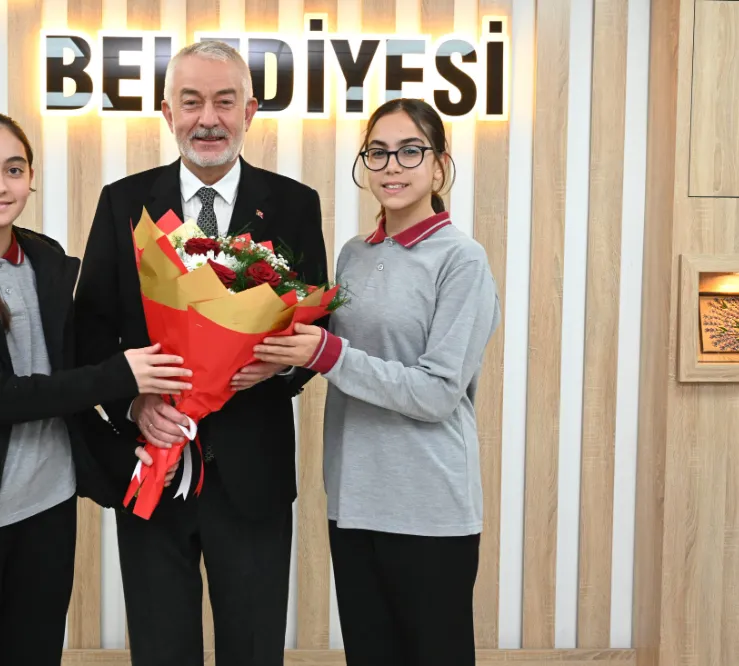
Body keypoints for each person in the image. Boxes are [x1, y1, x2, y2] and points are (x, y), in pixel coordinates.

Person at [0, 111, 191, 666]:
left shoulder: (45, 261)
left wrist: (132, 435)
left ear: (30, 179)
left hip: (48, 510)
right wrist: (120, 374)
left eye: (14, 169)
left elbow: (65, 381)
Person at [74, 41, 328, 666]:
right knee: (160, 648)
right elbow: (91, 330)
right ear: (167, 112)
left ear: (250, 111)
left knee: (255, 649)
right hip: (155, 465)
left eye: (224, 101)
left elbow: (313, 321)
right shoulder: (123, 202)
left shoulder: (295, 203)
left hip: (254, 473)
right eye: (191, 102)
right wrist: (135, 404)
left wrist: (280, 365)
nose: (207, 119)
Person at [253, 98, 501, 666]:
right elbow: (331, 356)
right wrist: (278, 356)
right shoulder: (354, 255)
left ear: (439, 166)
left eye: (410, 151)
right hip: (354, 498)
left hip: (428, 504)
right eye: (378, 152)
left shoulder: (462, 260)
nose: (392, 166)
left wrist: (328, 353)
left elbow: (437, 391)